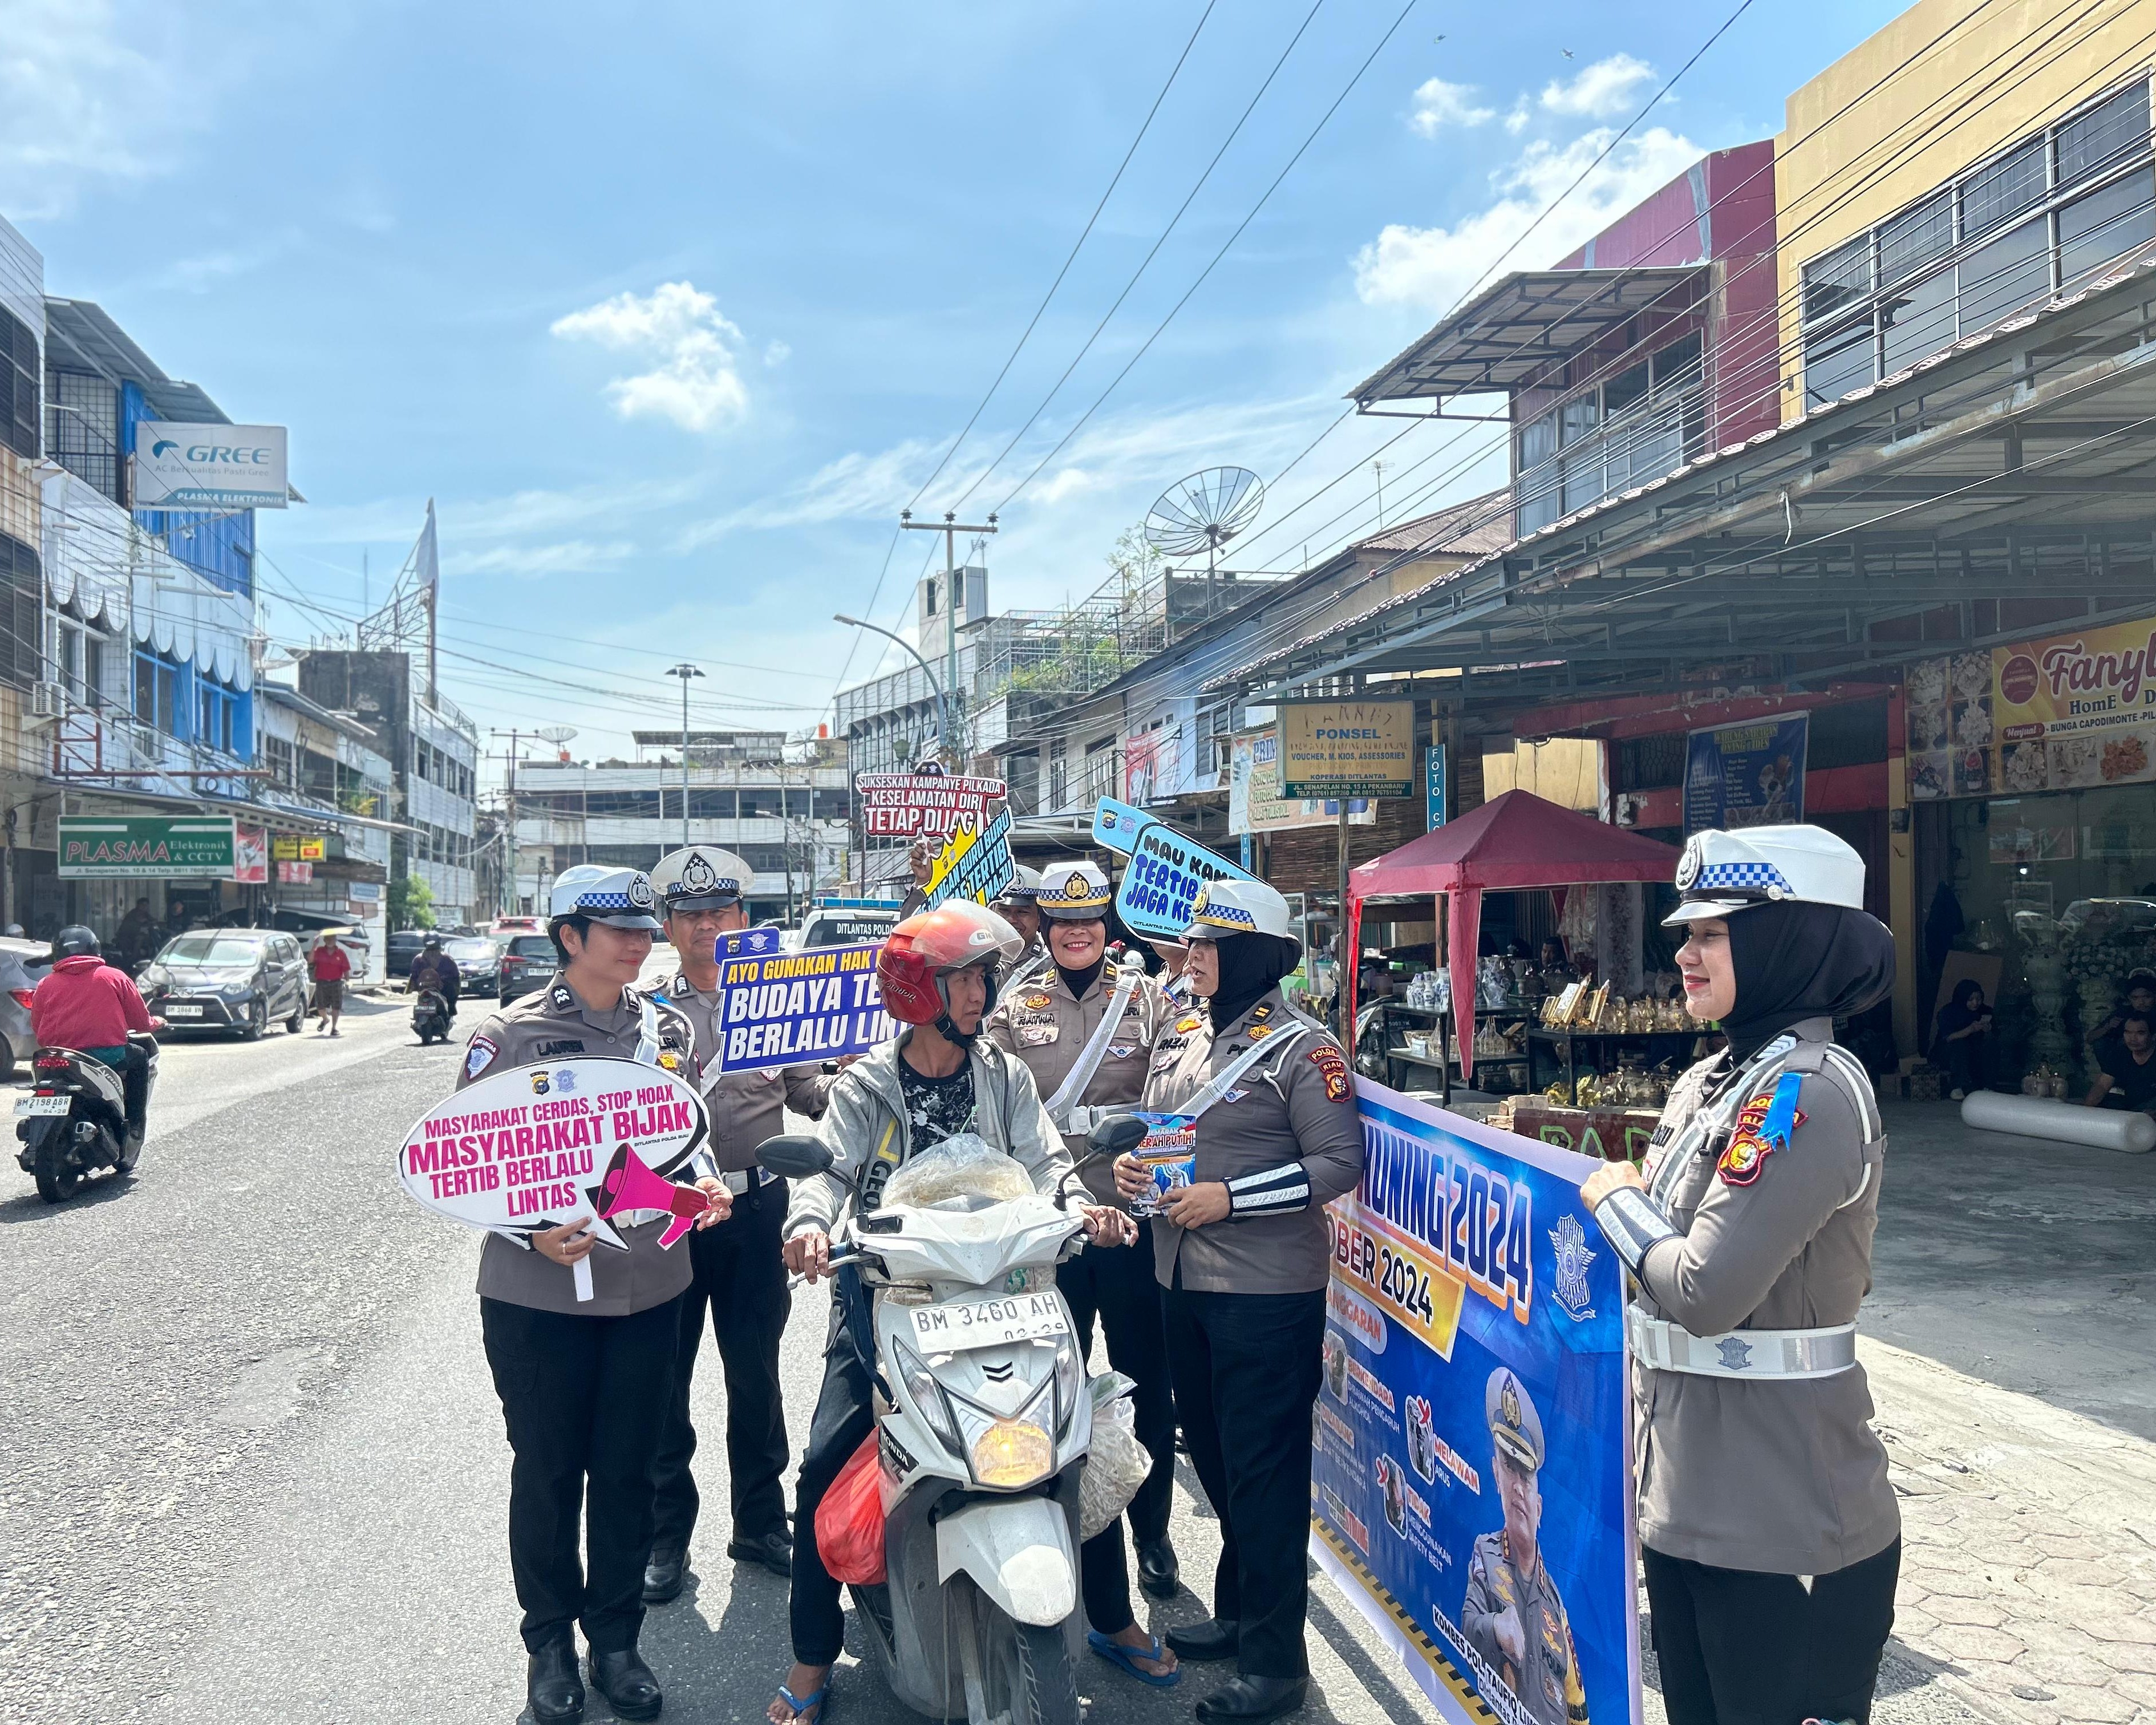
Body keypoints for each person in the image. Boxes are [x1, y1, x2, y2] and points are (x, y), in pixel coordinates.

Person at [770, 900, 1133, 1725]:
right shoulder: (868, 1084)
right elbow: (827, 1172)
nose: (980, 994)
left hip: (1006, 1297)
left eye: (982, 978)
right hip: (891, 1297)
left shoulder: (1001, 1073)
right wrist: (808, 1225)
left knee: (1075, 1437)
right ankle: (810, 1656)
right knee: (824, 1466)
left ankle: (1115, 1616)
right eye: (965, 979)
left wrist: (1086, 1207)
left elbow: (1047, 1161)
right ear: (917, 989)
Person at [1580, 825, 1900, 1725]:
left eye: (1712, 933)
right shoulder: (1718, 1080)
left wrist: (1609, 1199)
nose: (1682, 952)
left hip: (1786, 1522)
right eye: (1686, 931)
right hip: (1685, 1500)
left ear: (1787, 940)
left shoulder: (1811, 1091)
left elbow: (1702, 1290)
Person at [457, 865, 730, 1725]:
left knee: (626, 1472)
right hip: (537, 1299)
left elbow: (687, 1140)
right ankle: (549, 1648)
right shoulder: (509, 1037)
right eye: (617, 928)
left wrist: (711, 1187)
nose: (639, 940)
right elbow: (464, 1163)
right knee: (547, 1472)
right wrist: (527, 1230)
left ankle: (615, 1642)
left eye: (644, 927)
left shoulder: (667, 1030)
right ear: (568, 938)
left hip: (651, 1287)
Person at [1113, 878, 1365, 1724]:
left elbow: (1338, 1164)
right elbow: (1167, 1135)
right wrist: (1134, 1172)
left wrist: (1231, 1198)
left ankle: (1277, 1663)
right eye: (1193, 944)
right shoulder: (1189, 1032)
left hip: (1265, 1293)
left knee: (1264, 1474)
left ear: (1255, 953)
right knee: (1217, 1460)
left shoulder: (1304, 1048)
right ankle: (1240, 1608)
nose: (1193, 956)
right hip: (1180, 1279)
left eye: (1210, 945)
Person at [983, 860, 1181, 1687]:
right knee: (1049, 1393)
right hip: (1053, 1237)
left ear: (1109, 929)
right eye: (1063, 924)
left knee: (1146, 1390)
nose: (1076, 935)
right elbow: (984, 1096)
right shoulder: (1014, 1003)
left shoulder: (1149, 1001)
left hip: (1132, 1231)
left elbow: (1179, 1096)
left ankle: (1155, 1536)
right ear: (1046, 929)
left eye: (1090, 923)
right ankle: (1054, 1540)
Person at [642, 847, 838, 1602]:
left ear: (742, 920)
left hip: (757, 1208)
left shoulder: (772, 1003)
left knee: (754, 1370)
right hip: (669, 1213)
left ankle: (760, 1520)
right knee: (665, 1377)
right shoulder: (644, 1011)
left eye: (718, 913)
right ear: (669, 926)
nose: (704, 927)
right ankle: (665, 1534)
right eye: (689, 916)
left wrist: (852, 1073)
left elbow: (808, 1095)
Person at [1461, 1369, 1587, 1725]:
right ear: (1497, 1478)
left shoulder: (1556, 1604)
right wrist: (1497, 1627)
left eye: (1526, 1476)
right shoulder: (1485, 1554)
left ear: (1540, 1507)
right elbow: (1468, 1624)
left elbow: (1577, 1703)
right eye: (1510, 1469)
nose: (1518, 1487)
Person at [30, 925, 156, 1141]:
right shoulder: (115, 977)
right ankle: (135, 1124)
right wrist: (157, 1023)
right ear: (95, 949)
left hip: (56, 1056)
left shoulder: (45, 984)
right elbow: (141, 1023)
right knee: (140, 1057)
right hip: (105, 1056)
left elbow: (37, 1025)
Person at [1929, 978, 1992, 1100]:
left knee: (1990, 1045)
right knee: (1959, 1045)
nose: (1975, 1003)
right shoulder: (1948, 1012)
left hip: (1975, 1051)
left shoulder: (1985, 1011)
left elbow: (1994, 1033)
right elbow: (1948, 1037)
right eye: (1970, 1000)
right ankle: (1957, 1086)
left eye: (1978, 999)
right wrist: (1969, 1030)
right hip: (1949, 1052)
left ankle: (1988, 1085)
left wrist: (1988, 1028)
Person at [2083, 1011, 2156, 1113]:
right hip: (2127, 1108)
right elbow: (2102, 1085)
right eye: (2128, 1032)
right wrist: (2085, 1113)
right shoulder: (2120, 1054)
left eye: (2140, 1033)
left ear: (2153, 1036)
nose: (2133, 1039)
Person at [992, 864, 1048, 989]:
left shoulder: (1053, 962)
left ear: (1039, 917)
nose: (1012, 920)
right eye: (1004, 911)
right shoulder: (977, 957)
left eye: (1022, 912)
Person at [2085, 968, 2156, 1050]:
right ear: (2129, 998)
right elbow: (2090, 1038)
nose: (2141, 1002)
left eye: (2147, 997)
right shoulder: (2124, 1012)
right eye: (2135, 998)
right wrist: (2107, 1028)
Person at [407, 932, 463, 1022]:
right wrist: (414, 986)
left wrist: (446, 979)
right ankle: (417, 1018)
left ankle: (449, 1012)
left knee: (452, 992)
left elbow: (455, 975)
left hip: (442, 989)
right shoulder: (419, 959)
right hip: (424, 988)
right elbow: (414, 975)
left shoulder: (447, 959)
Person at [309, 931, 352, 1038]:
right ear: (324, 941)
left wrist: (348, 981)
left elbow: (346, 969)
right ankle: (325, 1019)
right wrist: (314, 945)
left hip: (336, 982)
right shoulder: (319, 951)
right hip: (321, 982)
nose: (330, 941)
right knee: (320, 1006)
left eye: (332, 939)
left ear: (336, 940)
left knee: (336, 1006)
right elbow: (310, 960)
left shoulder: (341, 953)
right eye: (328, 939)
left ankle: (334, 1028)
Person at [115, 897, 158, 967]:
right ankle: (134, 958)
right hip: (127, 936)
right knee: (140, 939)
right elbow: (140, 921)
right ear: (138, 905)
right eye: (143, 905)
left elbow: (152, 920)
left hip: (135, 934)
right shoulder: (134, 913)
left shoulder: (145, 914)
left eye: (146, 905)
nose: (145, 907)